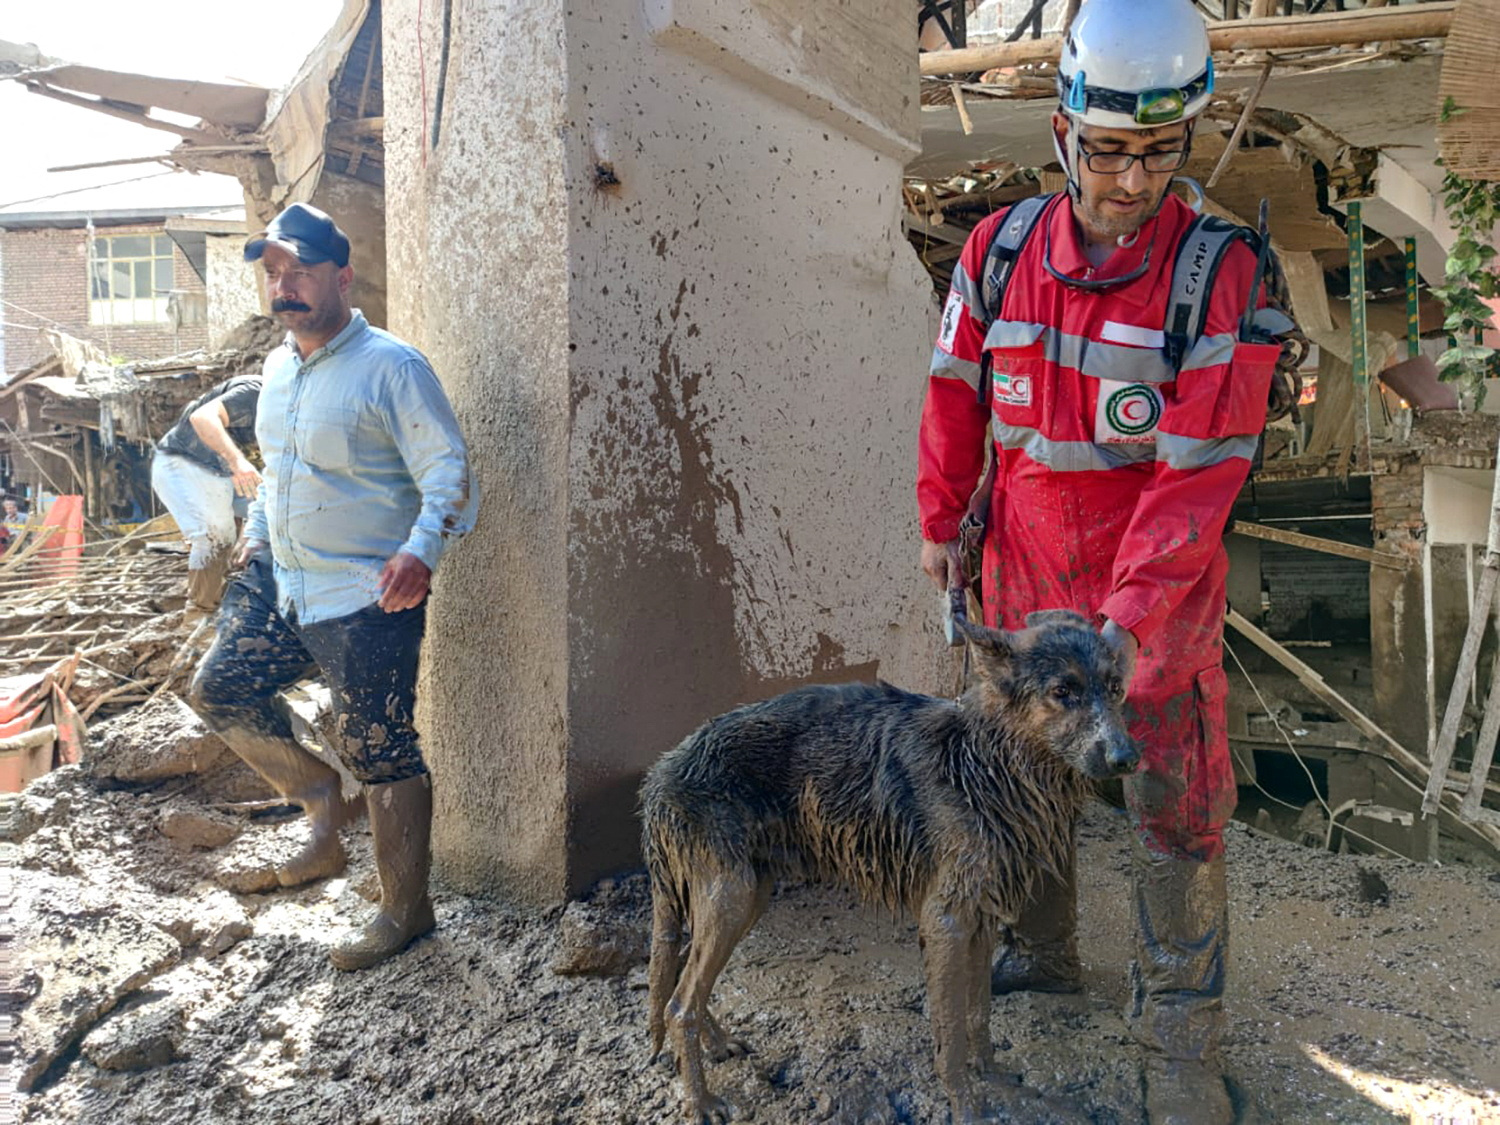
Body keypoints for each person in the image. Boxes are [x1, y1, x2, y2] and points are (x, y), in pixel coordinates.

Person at [916, 1, 1295, 1121]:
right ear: (1064, 131)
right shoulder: (998, 253)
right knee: (1025, 788)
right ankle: (1046, 955)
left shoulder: (1216, 274)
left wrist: (1129, 619)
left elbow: (1197, 474)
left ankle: (1180, 1039)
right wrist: (943, 524)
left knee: (1177, 813)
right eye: (1112, 151)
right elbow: (956, 402)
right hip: (1026, 600)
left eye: (1159, 154)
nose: (1134, 182)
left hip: (1157, 614)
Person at [187, 202, 478, 971]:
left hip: (365, 594)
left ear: (341, 277)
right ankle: (322, 803)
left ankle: (406, 910)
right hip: (283, 580)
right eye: (275, 273)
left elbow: (446, 467)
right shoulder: (279, 369)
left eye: (302, 272)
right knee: (219, 688)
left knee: (380, 744)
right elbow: (280, 468)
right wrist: (256, 537)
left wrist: (420, 552)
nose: (285, 287)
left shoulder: (392, 367)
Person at [151, 373, 264, 618]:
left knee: (279, 514)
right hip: (183, 463)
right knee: (216, 535)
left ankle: (227, 588)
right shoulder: (257, 390)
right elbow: (202, 418)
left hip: (223, 475)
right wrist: (238, 462)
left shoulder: (297, 415)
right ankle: (198, 614)